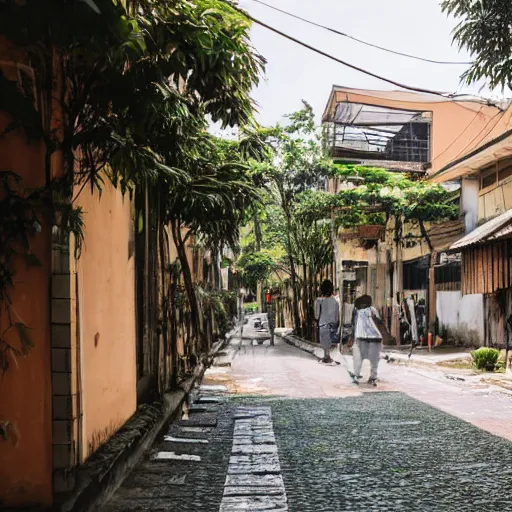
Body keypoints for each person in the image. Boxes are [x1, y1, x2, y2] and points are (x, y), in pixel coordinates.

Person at [350, 294, 383, 386]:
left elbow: (354, 324)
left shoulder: (357, 312)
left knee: (358, 357)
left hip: (361, 337)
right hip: (375, 337)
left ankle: (356, 375)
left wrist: (352, 336)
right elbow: (379, 322)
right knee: (374, 359)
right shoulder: (373, 310)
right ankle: (373, 378)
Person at [314, 279, 339, 364]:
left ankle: (326, 356)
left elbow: (316, 315)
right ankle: (327, 356)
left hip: (323, 324)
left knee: (324, 341)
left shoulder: (318, 300)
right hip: (333, 325)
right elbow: (336, 316)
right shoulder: (335, 302)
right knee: (329, 341)